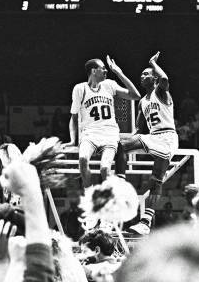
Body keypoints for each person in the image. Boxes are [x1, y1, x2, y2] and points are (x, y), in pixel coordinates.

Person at [115, 52, 178, 235]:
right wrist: (128, 141)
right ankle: (122, 185)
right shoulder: (142, 101)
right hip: (153, 137)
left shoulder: (161, 92)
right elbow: (137, 130)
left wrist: (153, 63)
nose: (142, 76)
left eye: (146, 74)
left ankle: (144, 219)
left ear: (155, 78)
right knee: (118, 144)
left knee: (156, 180)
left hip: (167, 137)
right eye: (141, 74)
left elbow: (165, 78)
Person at [65, 56, 140, 188]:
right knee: (82, 160)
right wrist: (72, 140)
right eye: (103, 68)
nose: (106, 71)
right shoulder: (80, 88)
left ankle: (109, 198)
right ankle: (90, 194)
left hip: (109, 133)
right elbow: (74, 117)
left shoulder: (109, 84)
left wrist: (119, 72)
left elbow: (136, 95)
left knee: (105, 169)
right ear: (94, 71)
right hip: (90, 133)